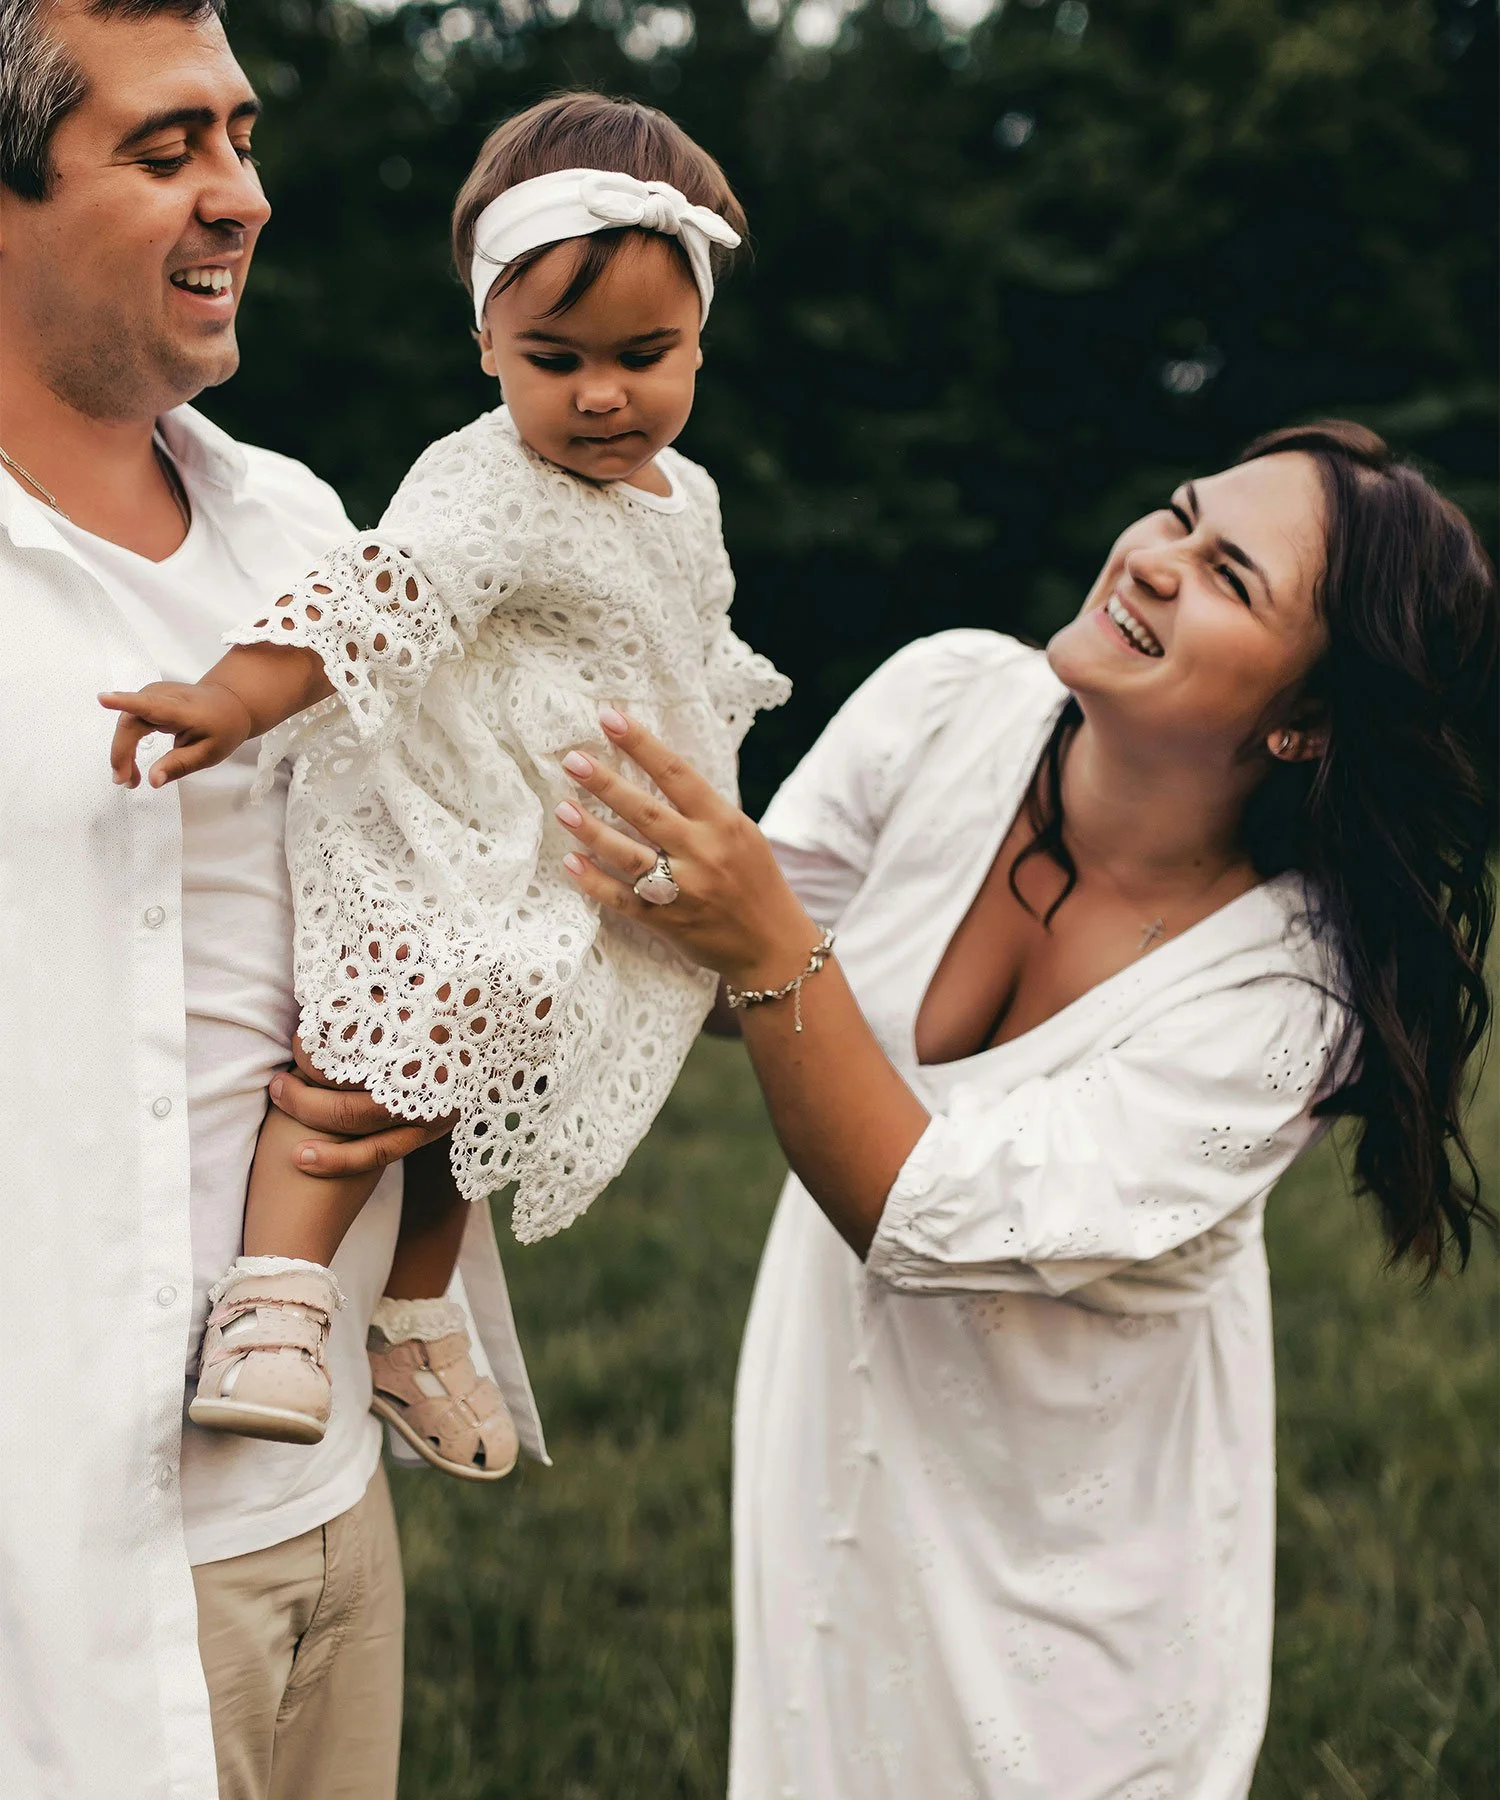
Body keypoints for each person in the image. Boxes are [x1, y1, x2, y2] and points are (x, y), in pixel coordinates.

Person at [549, 422, 1497, 1796]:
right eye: (1179, 512)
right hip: (846, 1473)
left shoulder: (1284, 1000)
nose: (1158, 560)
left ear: (1307, 719)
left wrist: (762, 949)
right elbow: (715, 965)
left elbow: (913, 1202)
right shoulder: (950, 700)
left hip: (1075, 1591)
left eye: (1232, 576)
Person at [0, 4, 543, 1796]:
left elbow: (450, 869)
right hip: (40, 1567)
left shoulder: (309, 537)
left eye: (240, 137)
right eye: (169, 152)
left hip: (316, 1514)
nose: (241, 194)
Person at [101, 91, 788, 1467]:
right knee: (404, 1028)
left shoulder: (688, 494)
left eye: (646, 355)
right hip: (445, 814)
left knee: (490, 1070)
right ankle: (277, 1304)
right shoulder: (485, 487)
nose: (603, 394)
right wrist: (237, 697)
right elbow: (381, 598)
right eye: (554, 356)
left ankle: (415, 1313)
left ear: (701, 340)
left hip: (559, 827)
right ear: (485, 340)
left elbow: (686, 647)